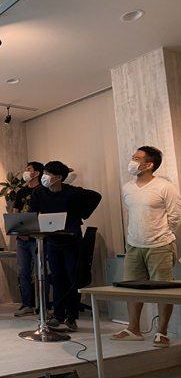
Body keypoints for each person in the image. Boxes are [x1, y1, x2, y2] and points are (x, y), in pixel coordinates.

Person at [111, 146, 181, 348]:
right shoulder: (127, 187)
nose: (132, 161)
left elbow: (175, 216)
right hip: (134, 245)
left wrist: (161, 234)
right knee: (131, 288)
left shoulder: (165, 187)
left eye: (137, 158)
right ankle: (133, 329)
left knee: (163, 290)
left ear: (149, 165)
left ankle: (161, 332)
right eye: (133, 157)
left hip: (160, 245)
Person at [29, 161, 101, 332]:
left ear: (59, 177)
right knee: (56, 278)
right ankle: (57, 315)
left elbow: (96, 197)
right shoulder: (39, 192)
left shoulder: (73, 192)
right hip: (52, 241)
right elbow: (32, 213)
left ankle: (72, 317)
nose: (44, 177)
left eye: (48, 174)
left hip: (71, 241)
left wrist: (81, 214)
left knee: (72, 278)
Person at [12, 161, 50, 317]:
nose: (25, 172)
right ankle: (26, 304)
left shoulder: (43, 191)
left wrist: (31, 232)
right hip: (21, 239)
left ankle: (43, 305)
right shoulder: (21, 192)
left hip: (38, 239)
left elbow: (44, 215)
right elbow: (15, 213)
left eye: (28, 169)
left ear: (37, 173)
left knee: (41, 273)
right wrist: (20, 231)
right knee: (23, 272)